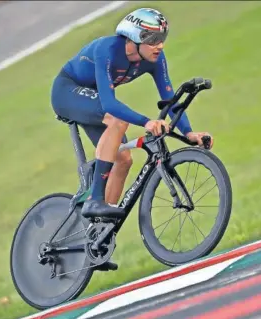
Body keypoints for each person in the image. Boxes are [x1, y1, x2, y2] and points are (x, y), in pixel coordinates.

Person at [51, 7, 213, 220]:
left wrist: (189, 132)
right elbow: (109, 104)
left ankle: (100, 229)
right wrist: (146, 122)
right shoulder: (106, 49)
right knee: (118, 121)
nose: (160, 45)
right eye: (153, 39)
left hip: (93, 100)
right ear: (135, 37)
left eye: (162, 38)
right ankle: (94, 201)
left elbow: (170, 99)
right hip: (67, 91)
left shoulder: (155, 59)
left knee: (124, 159)